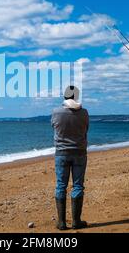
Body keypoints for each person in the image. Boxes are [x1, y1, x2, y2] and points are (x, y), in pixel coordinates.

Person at [51, 85, 89, 230]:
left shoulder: (56, 112)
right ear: (76, 96)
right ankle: (76, 221)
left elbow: (54, 128)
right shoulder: (84, 113)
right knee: (78, 185)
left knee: (61, 185)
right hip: (79, 152)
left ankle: (61, 222)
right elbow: (86, 130)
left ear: (65, 96)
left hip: (61, 153)